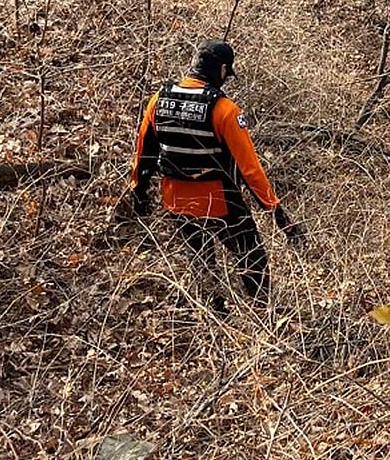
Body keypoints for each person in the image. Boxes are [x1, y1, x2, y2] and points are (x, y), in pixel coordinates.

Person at [125, 39, 303, 311]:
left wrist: (139, 192)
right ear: (221, 70)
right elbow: (249, 169)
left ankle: (216, 314)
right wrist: (278, 214)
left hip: (176, 200)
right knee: (251, 257)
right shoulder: (225, 110)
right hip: (219, 201)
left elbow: (144, 153)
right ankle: (262, 313)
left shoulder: (157, 100)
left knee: (201, 260)